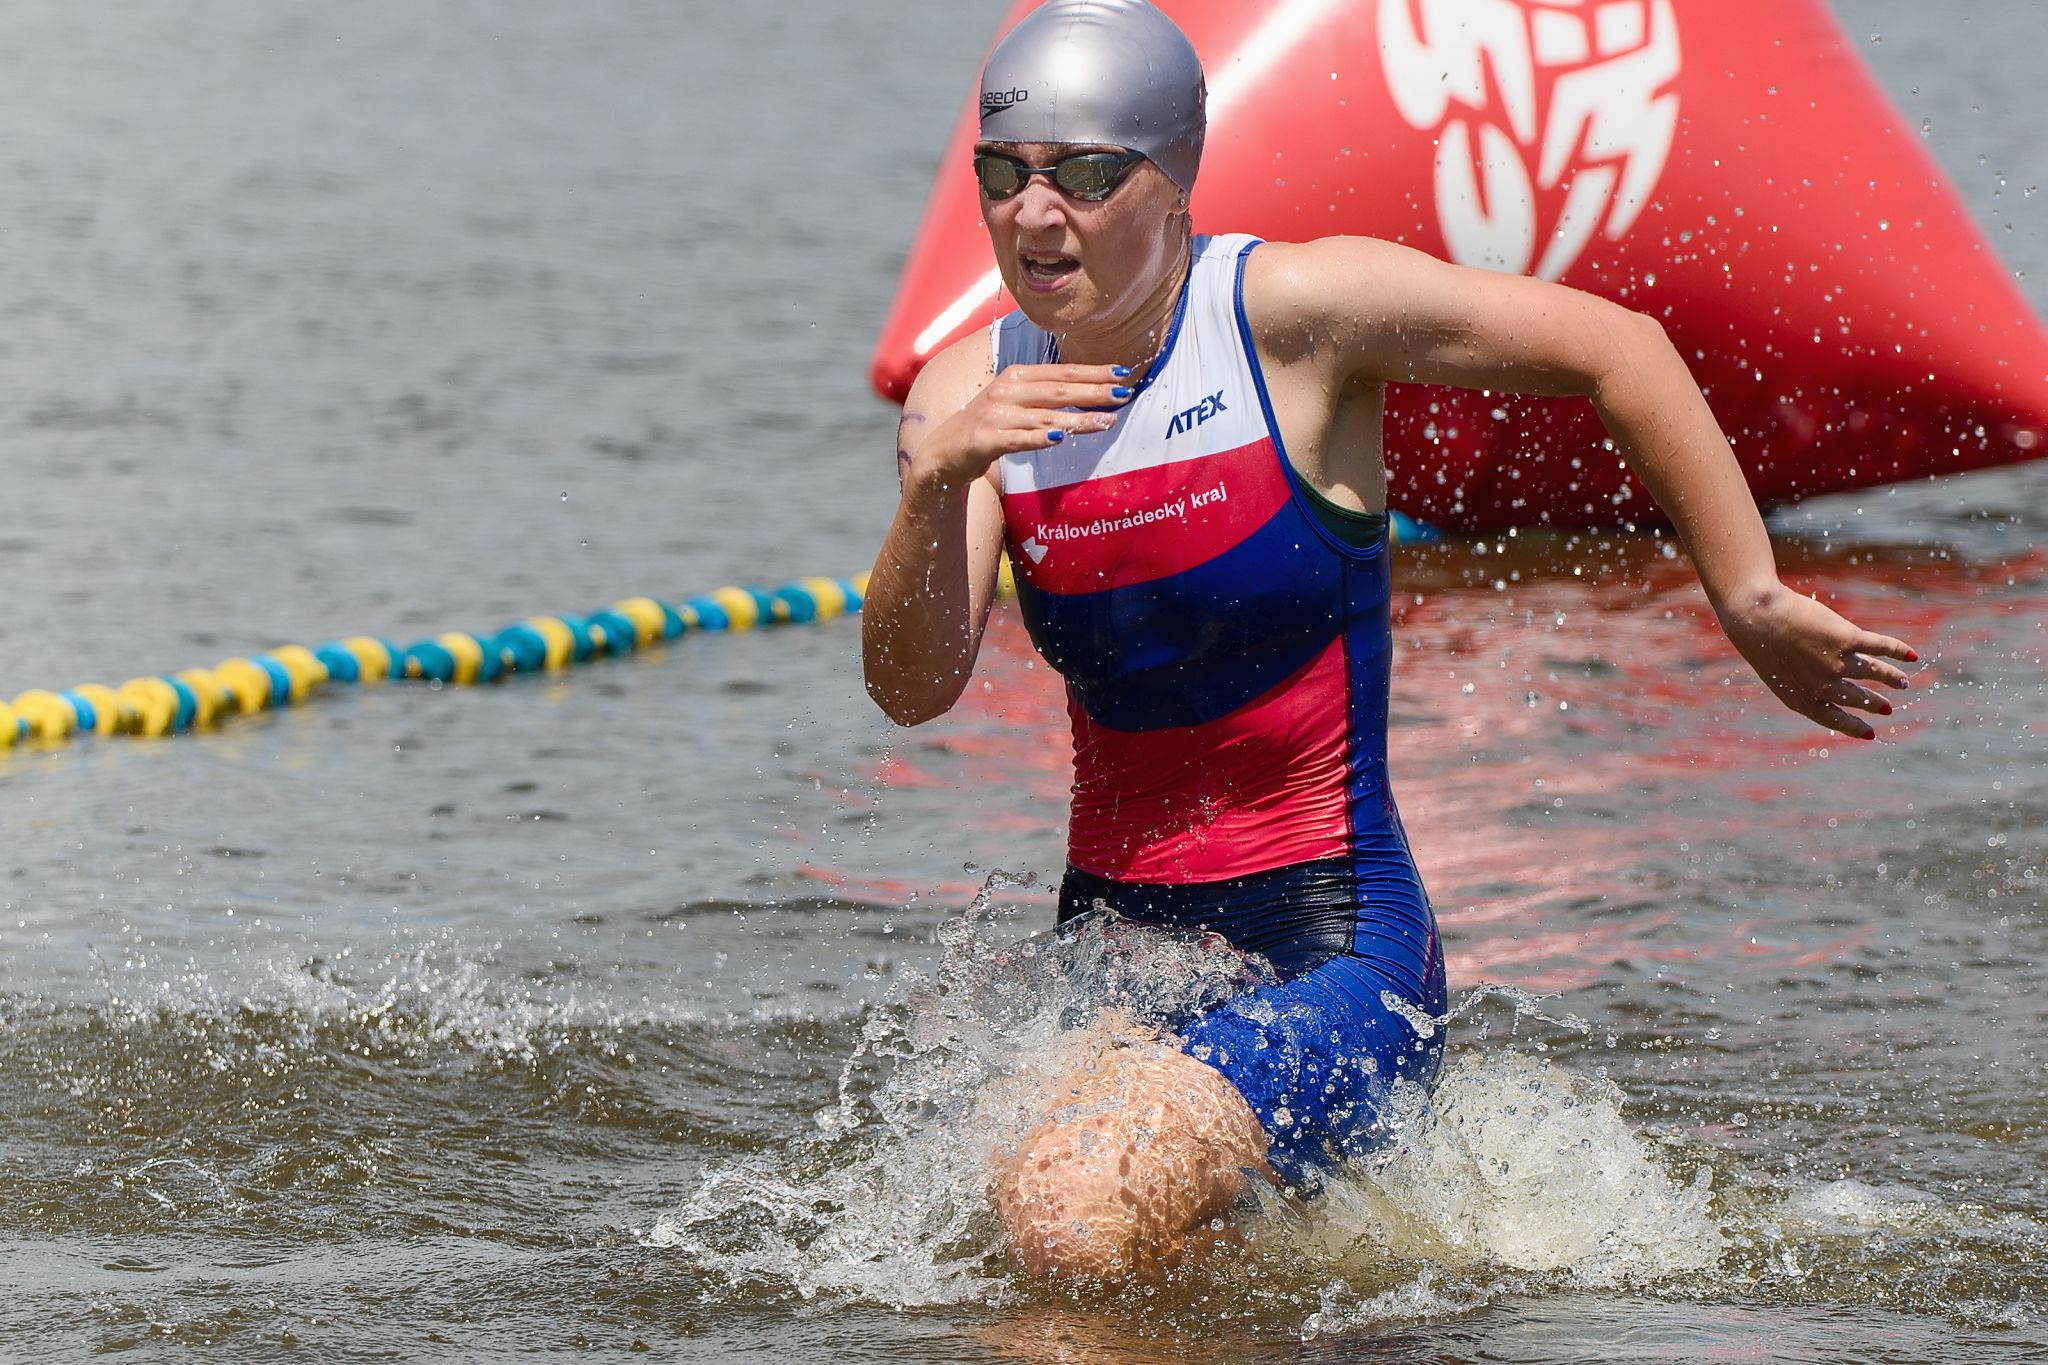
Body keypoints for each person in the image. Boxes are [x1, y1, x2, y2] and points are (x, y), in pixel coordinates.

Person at [861, 0, 1916, 1282]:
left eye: (1085, 176)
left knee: (1073, 1204)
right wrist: (932, 488)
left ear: (1172, 175)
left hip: (1332, 936)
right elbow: (913, 693)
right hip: (1113, 949)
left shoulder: (1291, 314)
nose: (1035, 217)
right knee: (1027, 1237)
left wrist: (1743, 596)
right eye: (1004, 176)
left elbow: (1615, 347)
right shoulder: (965, 396)